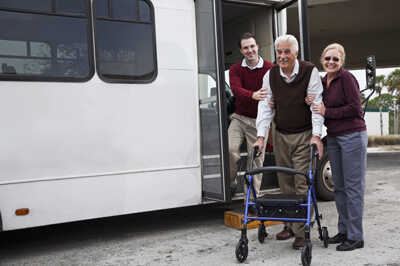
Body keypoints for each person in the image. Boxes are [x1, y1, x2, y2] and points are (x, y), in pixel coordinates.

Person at [253, 34, 324, 249]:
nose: (282, 56)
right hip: (282, 133)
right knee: (285, 182)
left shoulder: (309, 71)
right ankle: (290, 225)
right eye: (279, 52)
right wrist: (261, 137)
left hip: (304, 133)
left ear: (296, 53)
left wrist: (316, 135)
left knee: (301, 180)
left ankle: (302, 229)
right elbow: (265, 106)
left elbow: (316, 104)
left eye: (286, 52)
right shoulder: (271, 74)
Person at [312, 43, 367, 251]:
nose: (331, 62)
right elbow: (318, 104)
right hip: (333, 137)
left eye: (335, 59)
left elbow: (355, 107)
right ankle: (344, 231)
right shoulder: (322, 81)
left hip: (353, 135)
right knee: (339, 187)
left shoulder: (347, 78)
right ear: (322, 60)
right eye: (327, 58)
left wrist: (327, 112)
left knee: (353, 187)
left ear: (342, 61)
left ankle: (356, 236)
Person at [228, 32, 274, 213]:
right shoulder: (235, 69)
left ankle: (252, 201)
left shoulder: (270, 68)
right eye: (245, 47)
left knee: (255, 161)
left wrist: (275, 102)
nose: (250, 50)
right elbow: (236, 90)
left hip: (260, 122)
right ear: (241, 50)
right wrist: (253, 95)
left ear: (257, 47)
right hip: (239, 118)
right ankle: (231, 184)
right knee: (231, 150)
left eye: (252, 46)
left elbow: (276, 91)